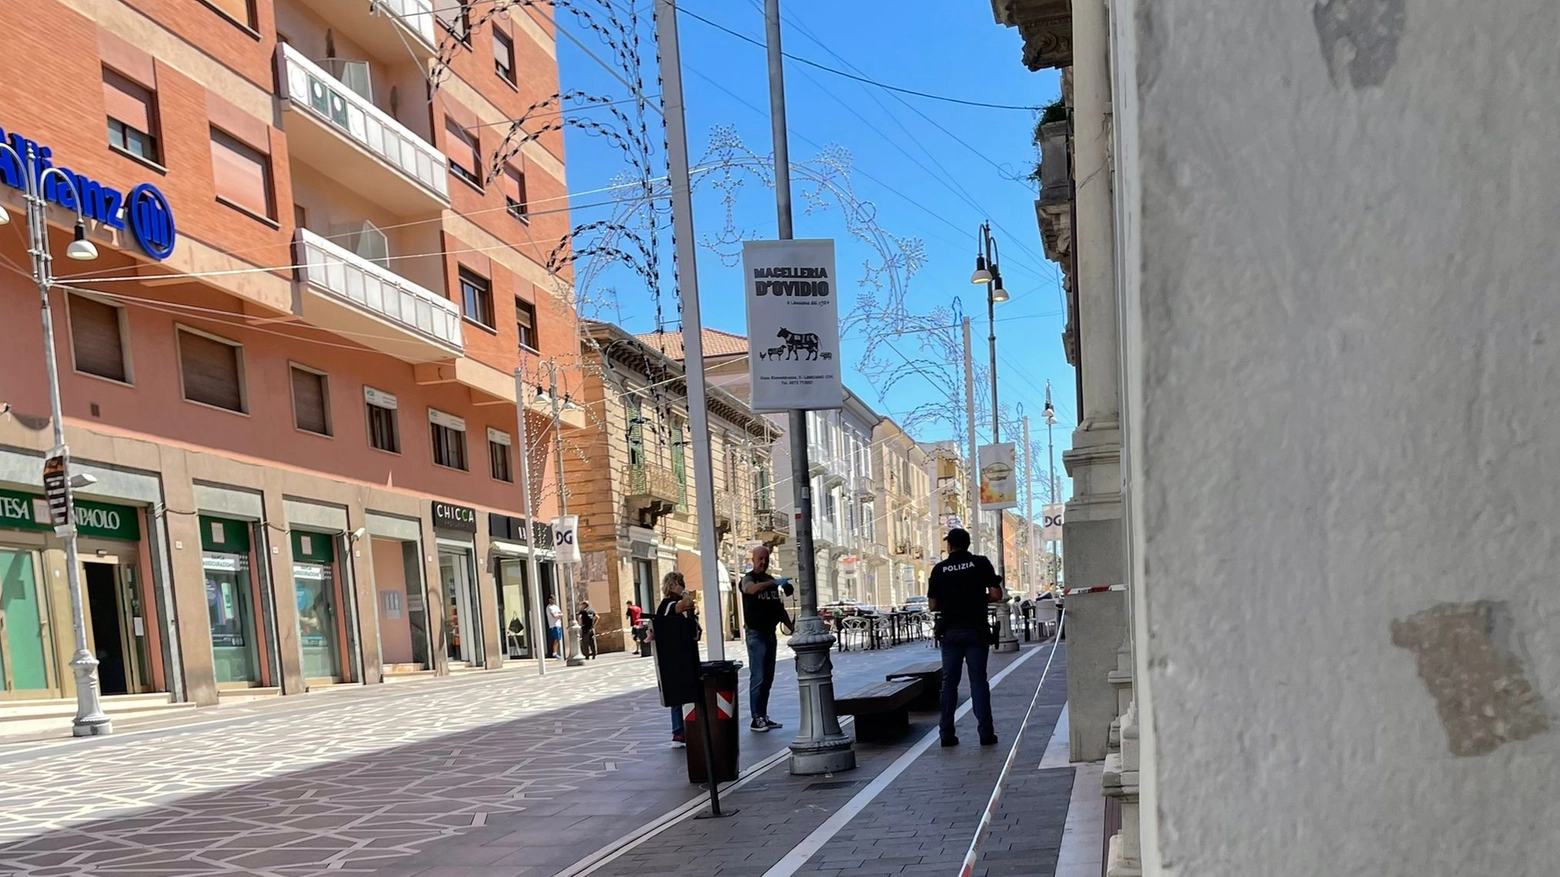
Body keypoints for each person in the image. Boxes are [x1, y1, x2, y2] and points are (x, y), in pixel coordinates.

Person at [927, 528, 1003, 748]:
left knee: (949, 684)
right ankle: (986, 734)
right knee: (978, 682)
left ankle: (946, 735)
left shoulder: (940, 569)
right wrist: (977, 599)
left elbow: (932, 605)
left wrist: (951, 602)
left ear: (950, 546)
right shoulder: (980, 563)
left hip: (950, 632)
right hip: (976, 631)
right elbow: (997, 595)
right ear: (968, 544)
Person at [739, 545, 793, 732]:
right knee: (759, 676)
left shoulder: (771, 580)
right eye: (760, 558)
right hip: (756, 634)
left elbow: (779, 608)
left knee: (768, 678)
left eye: (766, 558)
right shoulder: (748, 578)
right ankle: (756, 718)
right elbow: (750, 590)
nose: (763, 562)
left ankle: (763, 715)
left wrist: (791, 627)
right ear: (753, 560)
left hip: (770, 634)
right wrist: (774, 583)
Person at [654, 571, 698, 746]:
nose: (683, 585)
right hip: (674, 655)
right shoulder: (669, 604)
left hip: (679, 652)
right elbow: (687, 603)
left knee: (681, 692)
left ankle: (683, 730)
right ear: (672, 585)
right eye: (680, 582)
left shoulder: (669, 604)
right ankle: (679, 731)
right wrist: (684, 594)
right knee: (679, 693)